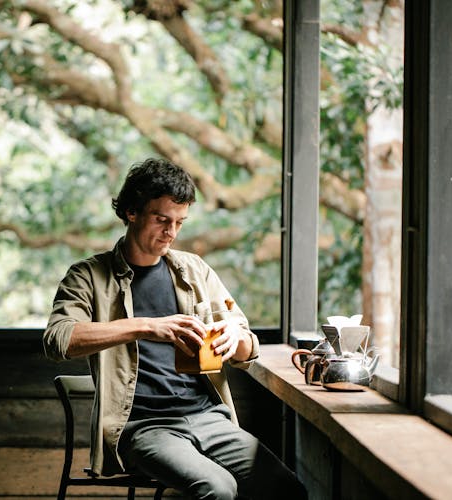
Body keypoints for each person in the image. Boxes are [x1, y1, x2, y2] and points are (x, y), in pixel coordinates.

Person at [44, 158, 306, 499]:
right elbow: (58, 339)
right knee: (218, 489)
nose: (172, 232)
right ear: (131, 212)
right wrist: (145, 327)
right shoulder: (89, 276)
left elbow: (247, 348)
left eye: (180, 222)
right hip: (142, 427)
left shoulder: (194, 270)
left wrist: (235, 337)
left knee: (288, 490)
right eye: (161, 220)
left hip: (209, 417)